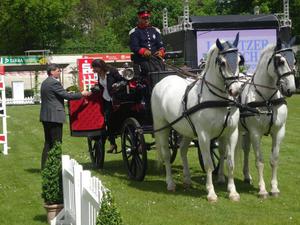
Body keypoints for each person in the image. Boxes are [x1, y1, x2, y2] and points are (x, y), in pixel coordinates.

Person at [40, 64, 90, 169]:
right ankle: (55, 165)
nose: (59, 72)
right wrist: (82, 94)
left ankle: (45, 166)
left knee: (48, 142)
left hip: (46, 116)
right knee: (56, 141)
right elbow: (66, 96)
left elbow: (56, 95)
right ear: (52, 72)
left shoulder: (45, 82)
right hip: (54, 116)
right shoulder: (54, 82)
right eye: (58, 71)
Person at [91, 59, 124, 154]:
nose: (94, 70)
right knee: (108, 121)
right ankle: (112, 143)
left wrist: (117, 85)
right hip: (106, 99)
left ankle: (113, 142)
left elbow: (122, 80)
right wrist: (96, 88)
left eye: (95, 67)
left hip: (115, 98)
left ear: (100, 66)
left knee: (113, 120)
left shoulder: (112, 71)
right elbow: (102, 86)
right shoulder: (99, 74)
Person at [129, 8, 166, 77]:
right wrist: (143, 51)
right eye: (144, 18)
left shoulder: (155, 31)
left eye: (147, 18)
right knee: (150, 69)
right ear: (139, 19)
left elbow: (161, 45)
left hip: (156, 59)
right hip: (142, 60)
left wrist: (161, 52)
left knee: (162, 69)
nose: (146, 20)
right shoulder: (135, 32)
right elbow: (134, 47)